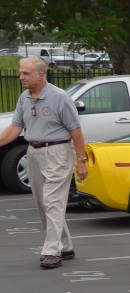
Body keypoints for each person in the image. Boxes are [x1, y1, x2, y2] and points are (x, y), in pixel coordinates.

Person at [0, 58, 89, 268]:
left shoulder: (59, 97)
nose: (21, 77)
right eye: (21, 73)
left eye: (26, 73)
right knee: (43, 203)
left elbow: (76, 131)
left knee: (52, 202)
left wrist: (81, 161)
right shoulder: (24, 98)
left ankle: (52, 251)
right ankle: (65, 246)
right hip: (33, 152)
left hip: (57, 152)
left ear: (40, 75)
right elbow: (15, 128)